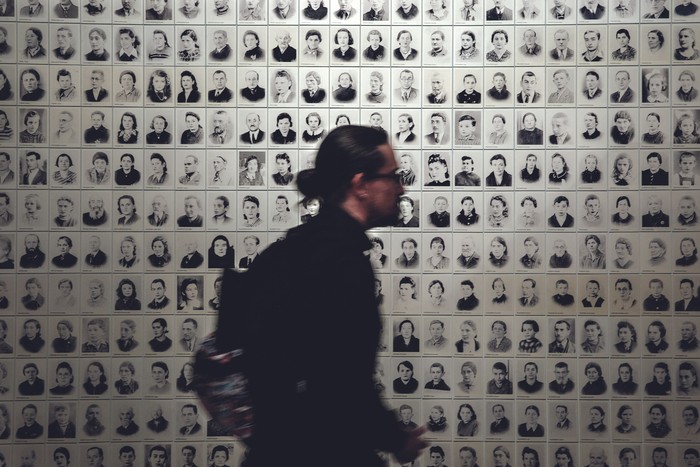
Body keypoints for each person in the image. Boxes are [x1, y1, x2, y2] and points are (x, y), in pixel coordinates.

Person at [221, 126, 425, 465]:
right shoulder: (341, 263)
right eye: (393, 176)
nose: (401, 187)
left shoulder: (291, 248)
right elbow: (343, 383)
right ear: (360, 185)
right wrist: (394, 439)